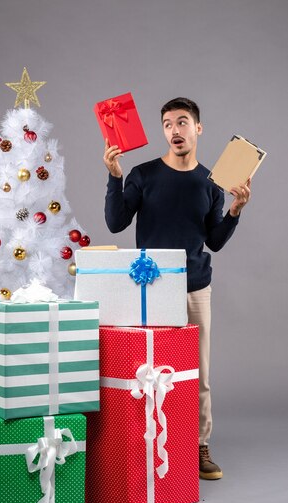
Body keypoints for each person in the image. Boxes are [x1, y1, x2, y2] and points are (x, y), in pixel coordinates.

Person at [103, 96, 251, 480]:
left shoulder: (211, 183)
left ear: (197, 128)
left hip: (194, 286)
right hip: (149, 286)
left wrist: (234, 210)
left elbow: (214, 241)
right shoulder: (143, 173)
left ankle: (199, 445)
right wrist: (115, 175)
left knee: (197, 372)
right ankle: (144, 444)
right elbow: (116, 224)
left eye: (182, 122)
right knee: (145, 370)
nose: (175, 131)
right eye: (168, 124)